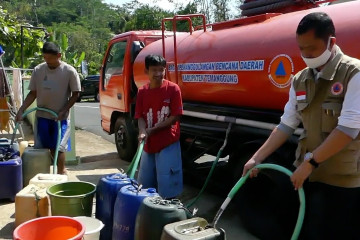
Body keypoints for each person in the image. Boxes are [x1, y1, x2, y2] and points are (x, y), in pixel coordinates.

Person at [242, 12, 360, 239]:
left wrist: (310, 163)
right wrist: (257, 157)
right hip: (307, 175)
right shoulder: (300, 79)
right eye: (301, 48)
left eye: (312, 49)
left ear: (331, 42)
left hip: (340, 179)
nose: (306, 55)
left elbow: (348, 129)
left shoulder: (353, 73)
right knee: (300, 227)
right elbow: (286, 124)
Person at [16, 42, 81, 175]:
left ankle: (61, 172)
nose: (47, 62)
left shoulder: (69, 71)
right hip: (42, 117)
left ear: (59, 55)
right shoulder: (38, 70)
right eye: (45, 58)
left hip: (60, 118)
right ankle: (44, 173)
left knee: (59, 147)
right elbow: (33, 93)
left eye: (50, 59)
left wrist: (64, 110)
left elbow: (76, 94)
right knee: (43, 147)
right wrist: (21, 109)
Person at [135, 54, 183, 199]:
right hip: (148, 145)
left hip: (168, 142)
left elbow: (175, 116)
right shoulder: (142, 92)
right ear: (146, 71)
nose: (158, 74)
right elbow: (140, 117)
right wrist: (143, 131)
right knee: (144, 186)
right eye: (154, 70)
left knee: (167, 187)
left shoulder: (173, 89)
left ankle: (168, 211)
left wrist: (152, 130)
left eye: (161, 70)